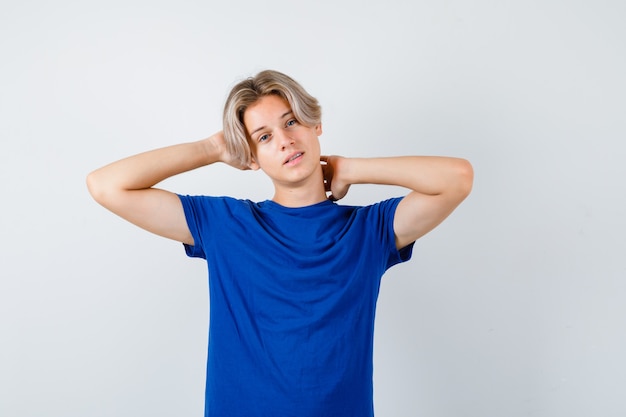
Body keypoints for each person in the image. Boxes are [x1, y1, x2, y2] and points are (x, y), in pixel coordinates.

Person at [86, 69, 473, 417]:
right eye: (265, 137)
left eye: (292, 122)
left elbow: (457, 178)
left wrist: (351, 168)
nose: (286, 141)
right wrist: (213, 148)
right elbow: (106, 185)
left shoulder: (369, 229)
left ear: (314, 124)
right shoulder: (226, 225)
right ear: (251, 157)